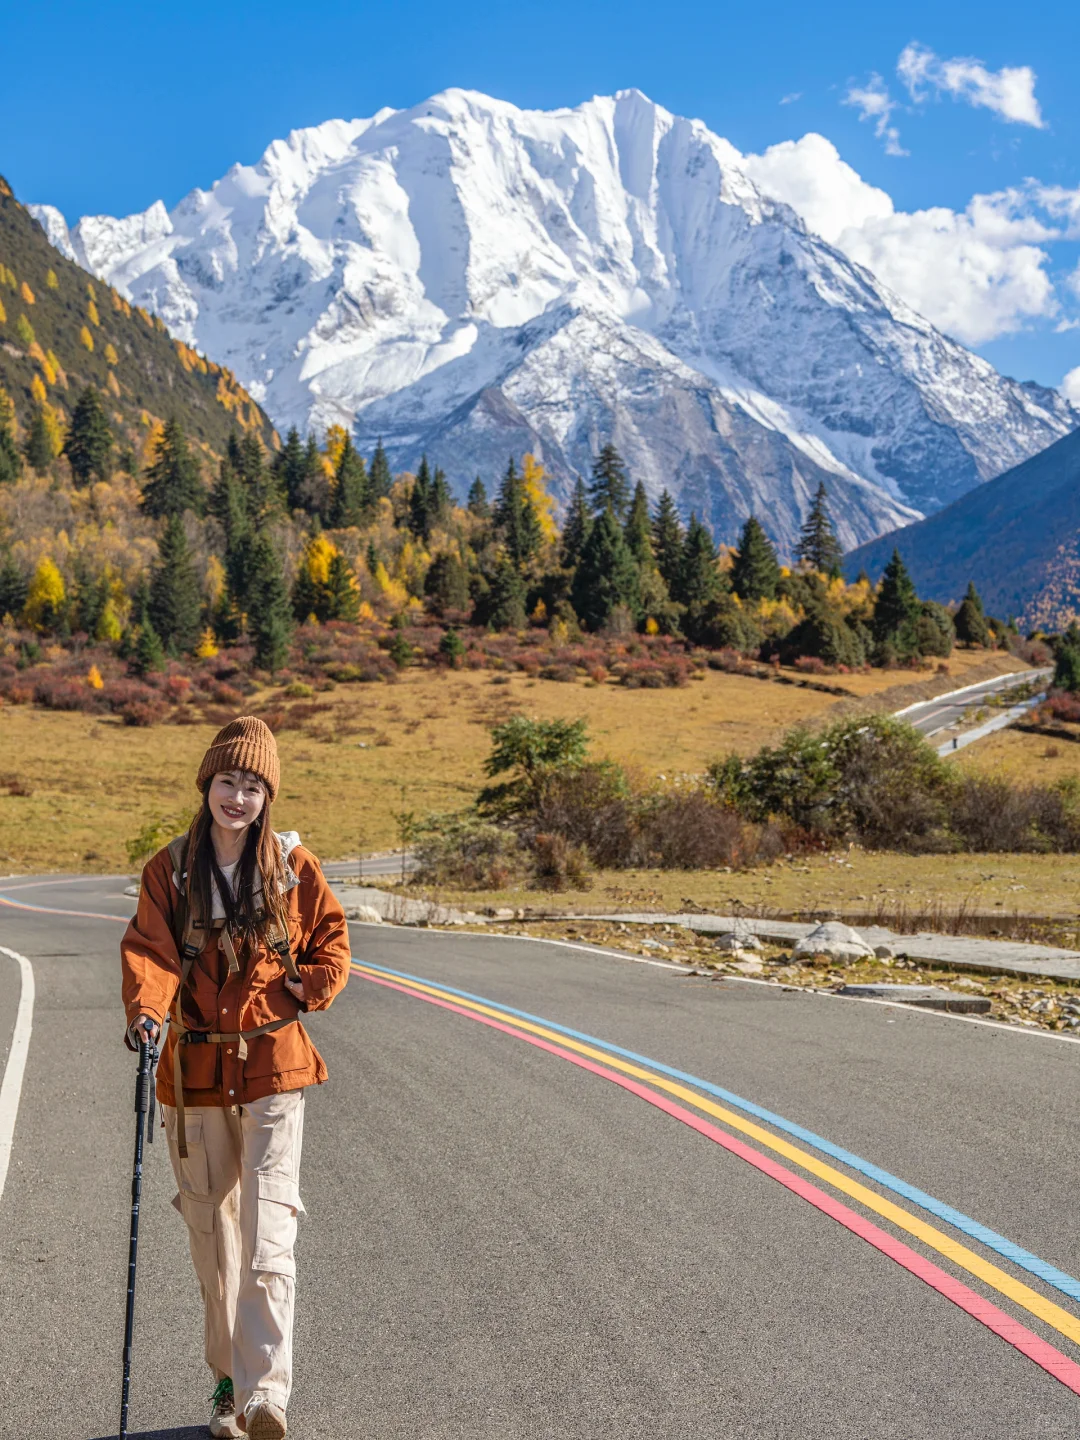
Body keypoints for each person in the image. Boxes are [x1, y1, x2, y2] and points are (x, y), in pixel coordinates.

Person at [121, 716, 351, 1439]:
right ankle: (226, 1385)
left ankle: (264, 1397)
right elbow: (149, 952)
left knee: (267, 1231)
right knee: (210, 1236)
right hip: (191, 1075)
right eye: (229, 781)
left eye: (253, 786)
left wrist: (288, 997)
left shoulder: (294, 868)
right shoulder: (171, 869)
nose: (239, 797)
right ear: (208, 785)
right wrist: (147, 1013)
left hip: (274, 1071)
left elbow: (332, 952)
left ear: (267, 795)